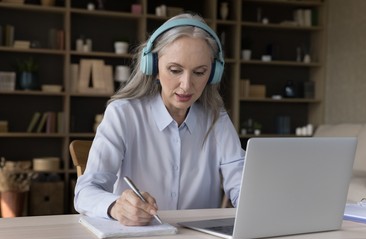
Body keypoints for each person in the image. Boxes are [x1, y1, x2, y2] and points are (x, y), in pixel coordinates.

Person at [74, 13, 245, 226]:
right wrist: (117, 207)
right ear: (153, 67)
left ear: (213, 74)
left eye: (200, 72)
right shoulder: (123, 114)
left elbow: (241, 186)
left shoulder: (216, 119)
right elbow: (85, 192)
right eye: (175, 70)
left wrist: (254, 202)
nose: (186, 85)